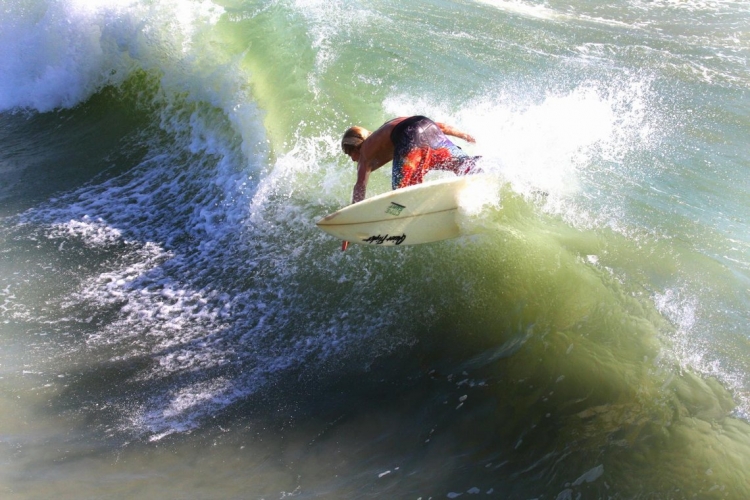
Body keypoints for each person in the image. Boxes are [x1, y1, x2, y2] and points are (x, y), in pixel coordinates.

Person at [341, 116, 480, 205]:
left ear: (356, 147)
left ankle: (402, 216)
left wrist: (353, 215)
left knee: (401, 196)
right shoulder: (386, 129)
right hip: (427, 126)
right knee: (463, 165)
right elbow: (440, 126)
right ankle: (484, 172)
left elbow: (360, 186)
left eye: (349, 153)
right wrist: (464, 135)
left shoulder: (365, 150)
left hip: (409, 136)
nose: (353, 159)